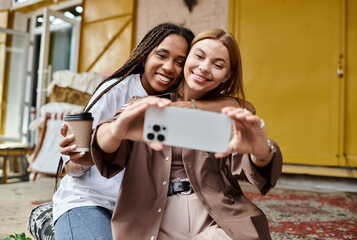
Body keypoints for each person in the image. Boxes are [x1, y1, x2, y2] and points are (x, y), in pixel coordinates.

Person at [51, 24, 243, 239]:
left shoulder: (179, 102)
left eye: (179, 62)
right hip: (91, 201)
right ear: (144, 56)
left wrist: (186, 107)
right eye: (161, 55)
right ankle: (49, 222)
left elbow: (240, 106)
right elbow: (72, 169)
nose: (169, 67)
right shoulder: (116, 90)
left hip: (140, 210)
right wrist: (85, 159)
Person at [91, 29, 283, 240]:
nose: (204, 68)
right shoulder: (146, 105)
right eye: (199, 56)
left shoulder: (227, 114)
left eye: (218, 65)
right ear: (187, 58)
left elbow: (252, 165)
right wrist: (115, 130)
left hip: (215, 218)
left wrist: (261, 151)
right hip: (151, 220)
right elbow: (106, 146)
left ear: (227, 75)